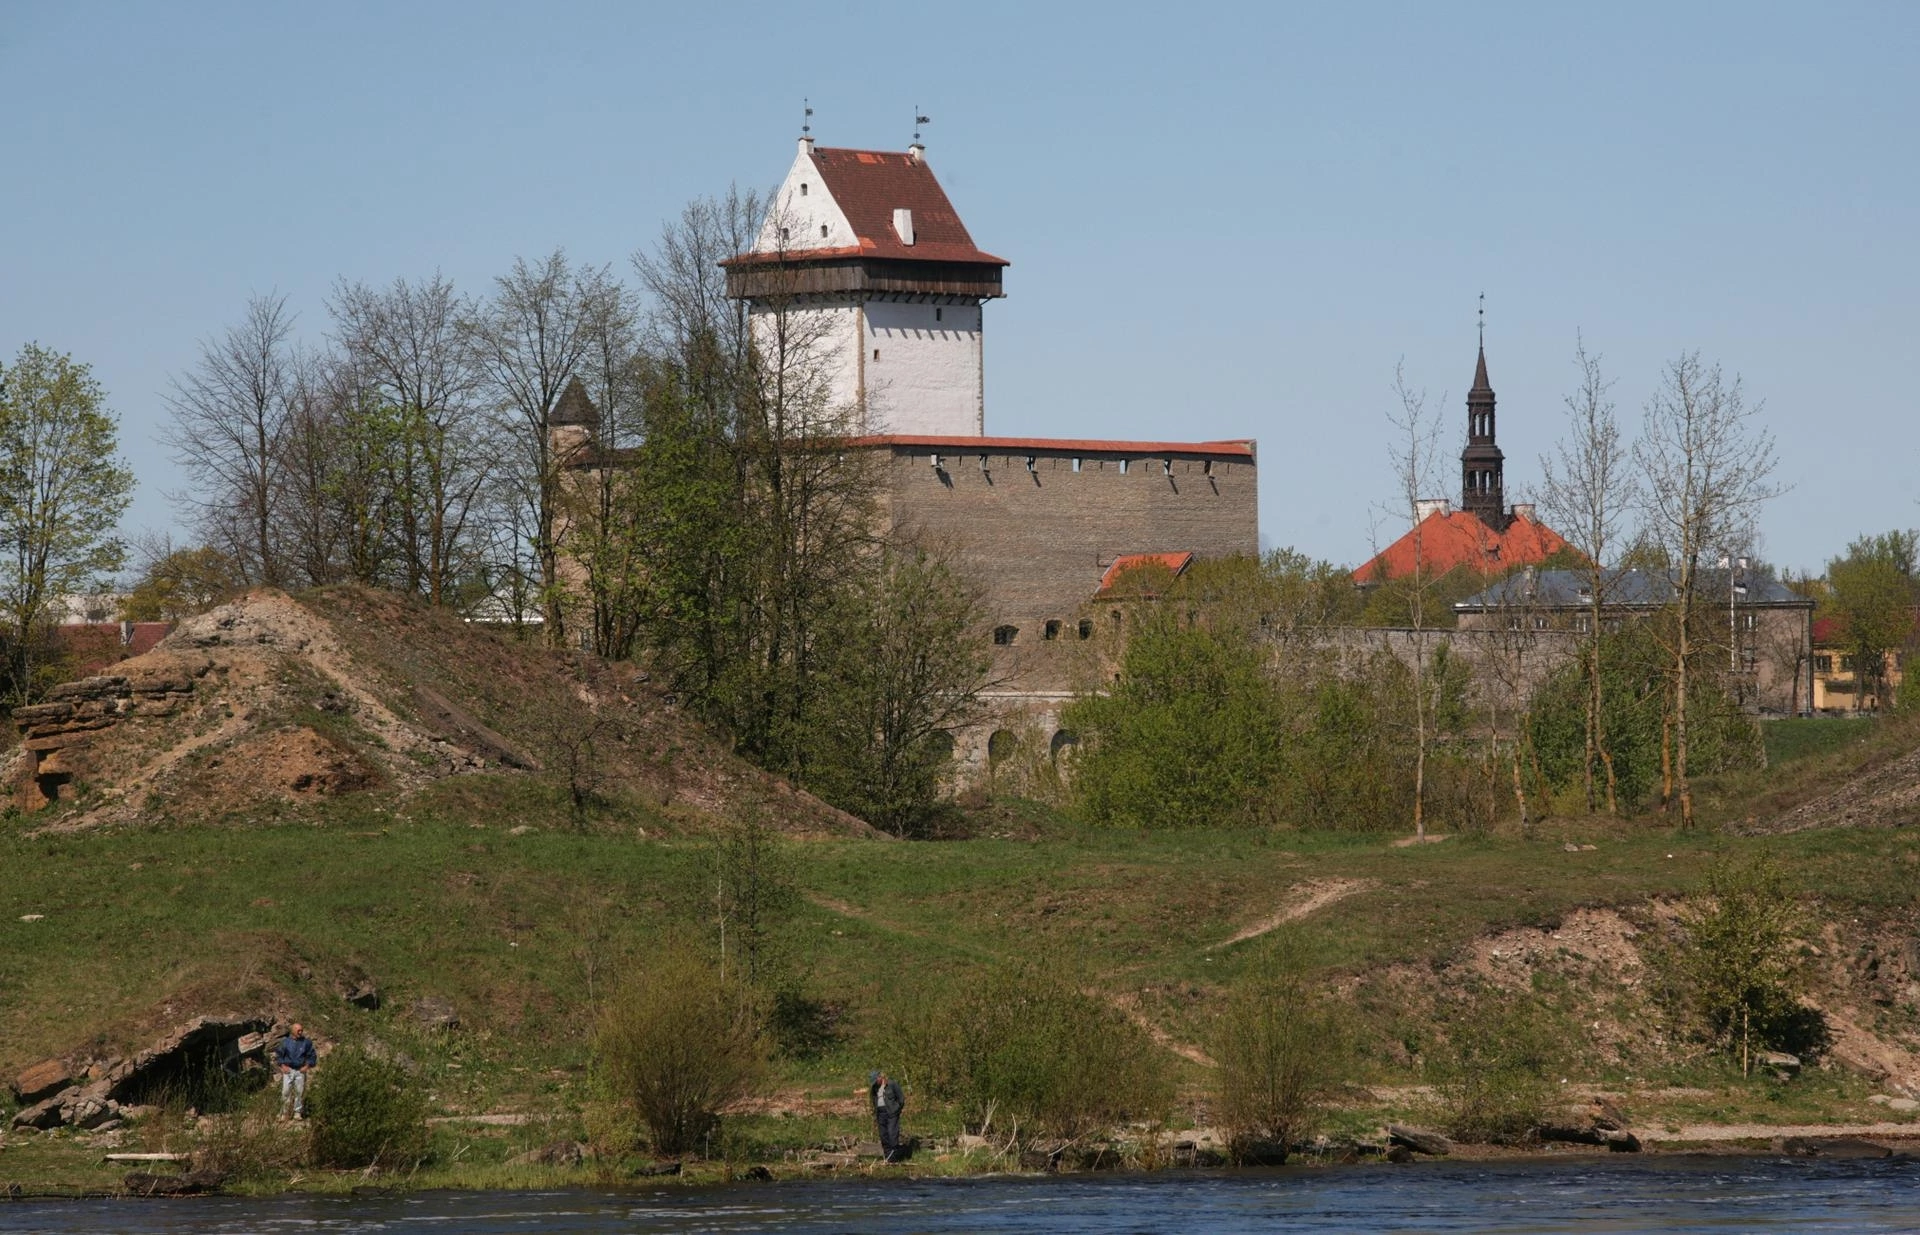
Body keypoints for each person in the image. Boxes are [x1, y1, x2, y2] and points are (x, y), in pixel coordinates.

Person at [274, 1023, 317, 1119]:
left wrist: (307, 1066)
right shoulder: (285, 1042)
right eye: (298, 1030)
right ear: (293, 1031)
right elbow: (279, 1055)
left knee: (299, 1092)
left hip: (300, 1070)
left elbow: (312, 1055)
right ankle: (284, 1113)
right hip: (288, 1070)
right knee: (285, 1091)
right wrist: (282, 1065)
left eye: (301, 1030)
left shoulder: (306, 1042)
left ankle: (297, 1112)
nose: (300, 1032)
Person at [867, 1069, 904, 1161]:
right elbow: (873, 1099)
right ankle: (888, 1158)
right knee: (883, 1136)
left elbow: (901, 1099)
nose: (875, 1083)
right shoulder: (874, 1088)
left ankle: (895, 1157)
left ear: (880, 1077)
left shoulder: (892, 1084)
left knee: (892, 1135)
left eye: (876, 1081)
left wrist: (896, 1109)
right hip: (880, 1114)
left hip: (892, 1113)